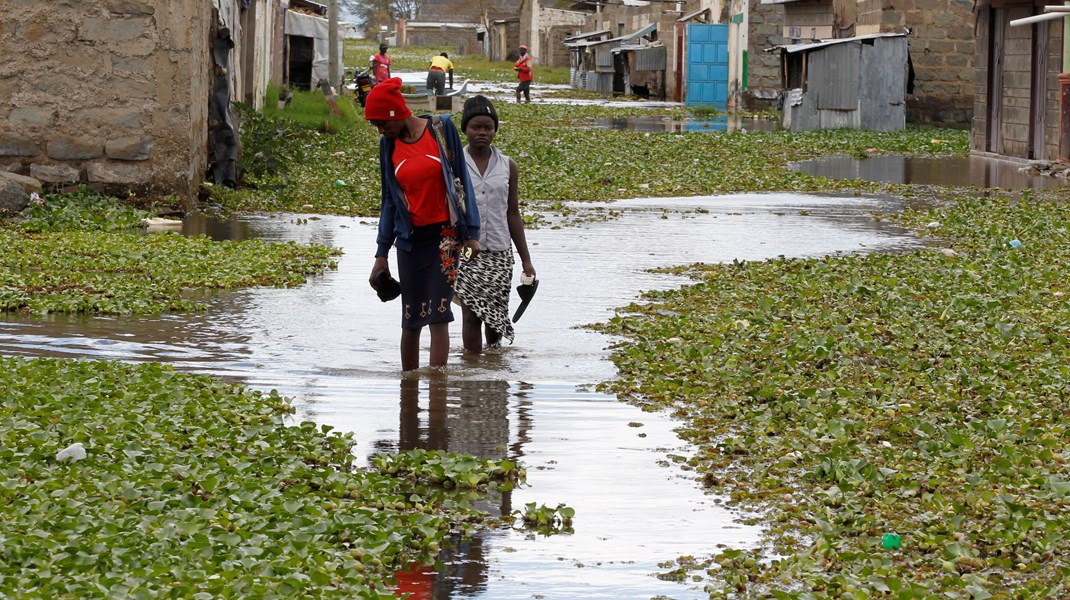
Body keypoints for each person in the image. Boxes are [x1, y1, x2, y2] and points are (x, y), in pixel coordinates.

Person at [365, 78, 481, 371]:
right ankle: (409, 387)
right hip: (410, 239)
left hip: (445, 237)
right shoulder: (387, 146)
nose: (382, 130)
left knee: (439, 314)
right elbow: (389, 200)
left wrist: (470, 233)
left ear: (396, 113)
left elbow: (460, 183)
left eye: (383, 123)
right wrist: (381, 254)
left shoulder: (441, 130)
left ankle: (438, 388)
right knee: (411, 317)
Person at [453, 95, 536, 353]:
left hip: (500, 252)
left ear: (495, 130)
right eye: (475, 127)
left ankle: (492, 369)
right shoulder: (454, 164)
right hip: (466, 251)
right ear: (465, 129)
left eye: (488, 127)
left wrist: (526, 260)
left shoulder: (508, 165)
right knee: (471, 314)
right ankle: (473, 370)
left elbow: (512, 213)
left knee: (495, 318)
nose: (482, 132)